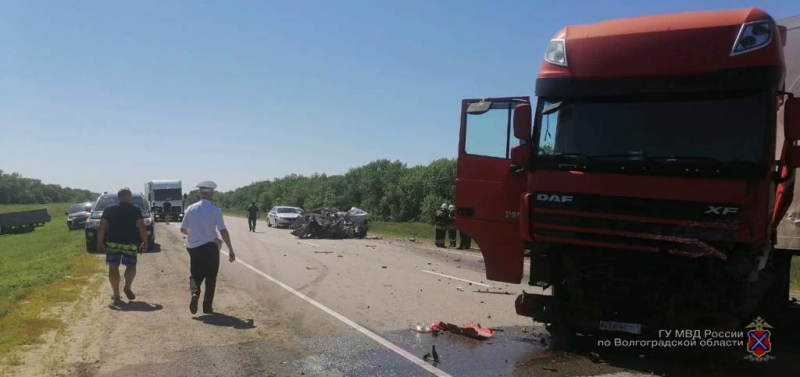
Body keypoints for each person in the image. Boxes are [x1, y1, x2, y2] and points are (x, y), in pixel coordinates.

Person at [180, 181, 235, 315]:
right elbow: (223, 230)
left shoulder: (190, 209)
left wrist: (193, 235)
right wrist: (231, 250)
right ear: (211, 194)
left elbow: (183, 229)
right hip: (211, 247)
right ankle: (207, 307)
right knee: (211, 277)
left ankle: (195, 293)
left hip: (194, 248)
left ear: (200, 194)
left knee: (195, 275)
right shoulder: (215, 210)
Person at [97, 188, 148, 303]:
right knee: (131, 266)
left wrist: (99, 242)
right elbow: (141, 226)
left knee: (113, 267)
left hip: (113, 242)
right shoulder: (135, 209)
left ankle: (116, 295)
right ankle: (127, 286)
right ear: (129, 197)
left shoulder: (109, 209)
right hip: (130, 242)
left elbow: (102, 226)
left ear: (118, 197)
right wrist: (145, 241)